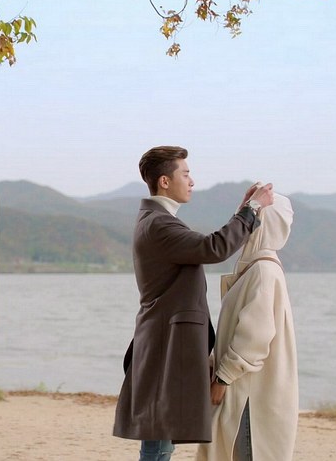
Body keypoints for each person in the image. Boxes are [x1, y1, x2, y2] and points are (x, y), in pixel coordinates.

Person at [113, 146, 274, 461]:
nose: (192, 181)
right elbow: (213, 248)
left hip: (163, 339)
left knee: (160, 436)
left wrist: (244, 211)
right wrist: (252, 209)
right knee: (159, 440)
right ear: (164, 181)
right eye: (185, 174)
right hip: (165, 342)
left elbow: (206, 245)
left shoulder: (156, 220)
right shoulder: (159, 224)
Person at [196, 193, 297, 461]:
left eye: (253, 215)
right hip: (244, 387)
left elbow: (255, 338)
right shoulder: (256, 268)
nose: (245, 221)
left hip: (250, 393)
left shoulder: (263, 271)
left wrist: (223, 378)